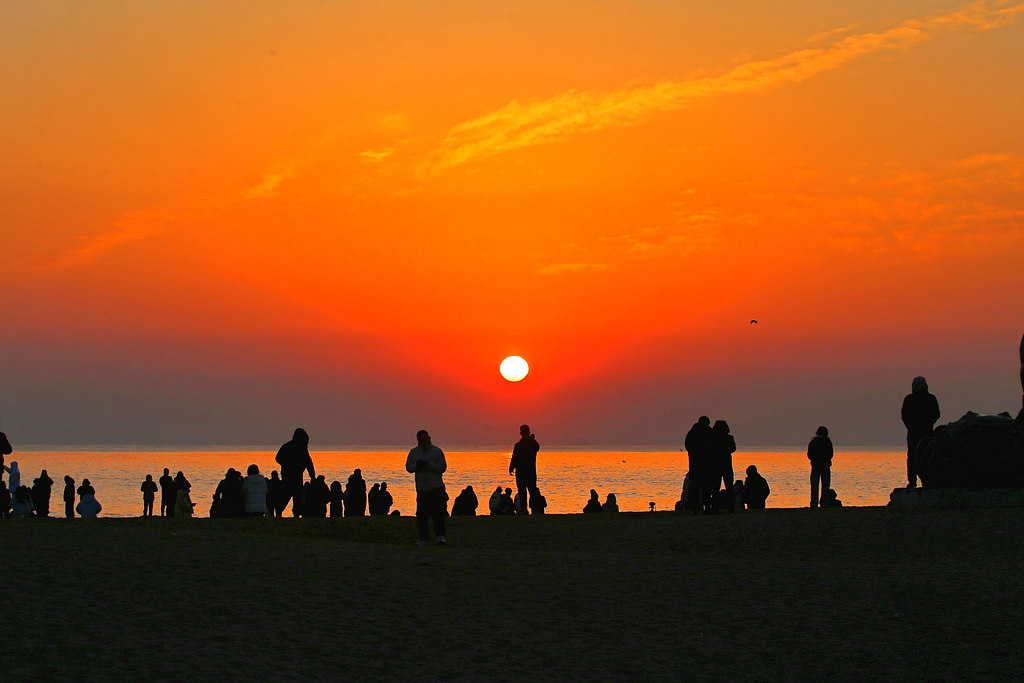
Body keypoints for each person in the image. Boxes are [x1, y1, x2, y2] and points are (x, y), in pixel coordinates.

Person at [405, 429, 448, 545]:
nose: (423, 442)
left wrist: (428, 465)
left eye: (424, 440)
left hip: (435, 487)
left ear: (429, 438)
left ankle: (440, 536)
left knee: (438, 514)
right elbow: (408, 467)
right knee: (421, 516)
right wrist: (417, 466)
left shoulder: (437, 451)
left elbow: (442, 468)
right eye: (420, 441)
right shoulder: (414, 452)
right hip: (421, 489)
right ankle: (423, 538)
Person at [901, 376, 941, 488]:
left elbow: (936, 414)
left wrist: (913, 425)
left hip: (920, 432)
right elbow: (905, 415)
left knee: (919, 456)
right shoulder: (929, 398)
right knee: (922, 456)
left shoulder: (912, 399)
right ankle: (919, 481)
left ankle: (916, 481)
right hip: (922, 432)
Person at [275, 428, 316, 517]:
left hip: (295, 476)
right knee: (287, 496)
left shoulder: (298, 447)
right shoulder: (290, 447)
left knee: (296, 497)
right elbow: (278, 458)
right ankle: (280, 512)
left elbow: (308, 462)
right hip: (289, 476)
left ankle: (294, 514)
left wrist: (312, 476)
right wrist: (288, 465)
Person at [509, 424, 541, 516]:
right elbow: (514, 457)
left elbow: (537, 448)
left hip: (530, 471)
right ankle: (524, 509)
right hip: (521, 472)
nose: (526, 434)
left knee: (532, 491)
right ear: (521, 433)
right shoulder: (518, 445)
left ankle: (534, 509)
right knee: (522, 492)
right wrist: (511, 467)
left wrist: (532, 439)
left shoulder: (532, 444)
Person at [684, 416, 714, 513]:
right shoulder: (709, 432)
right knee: (706, 487)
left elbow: (688, 446)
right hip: (706, 464)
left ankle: (694, 507)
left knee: (695, 487)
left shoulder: (692, 433)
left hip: (695, 464)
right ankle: (706, 506)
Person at [711, 421, 737, 513]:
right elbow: (733, 449)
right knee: (729, 487)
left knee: (715, 487)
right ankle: (731, 507)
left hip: (715, 465)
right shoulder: (729, 438)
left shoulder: (713, 438)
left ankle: (715, 507)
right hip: (726, 465)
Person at [807, 426, 834, 508]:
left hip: (815, 466)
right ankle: (824, 503)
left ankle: (814, 503)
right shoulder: (827, 441)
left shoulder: (813, 442)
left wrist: (815, 459)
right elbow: (831, 454)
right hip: (825, 466)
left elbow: (809, 455)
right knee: (825, 485)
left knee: (814, 486)